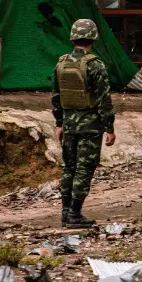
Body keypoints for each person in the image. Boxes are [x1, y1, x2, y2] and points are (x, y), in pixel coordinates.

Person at [51, 19, 115, 227]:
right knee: (84, 168)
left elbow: (56, 96)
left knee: (68, 167)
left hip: (69, 124)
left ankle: (65, 211)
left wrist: (60, 123)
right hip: (89, 126)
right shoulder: (95, 65)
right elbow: (104, 99)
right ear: (93, 39)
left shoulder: (61, 63)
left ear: (73, 38)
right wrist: (109, 128)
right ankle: (75, 214)